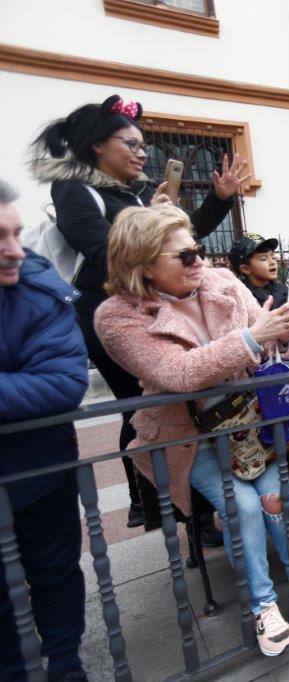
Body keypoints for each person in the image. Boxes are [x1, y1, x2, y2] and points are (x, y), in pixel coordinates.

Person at [94, 206, 289, 657]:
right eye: (185, 256)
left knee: (274, 499)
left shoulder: (222, 283)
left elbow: (267, 350)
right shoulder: (117, 316)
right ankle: (264, 604)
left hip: (250, 420)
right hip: (191, 435)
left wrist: (282, 333)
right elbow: (180, 373)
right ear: (143, 263)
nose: (199, 262)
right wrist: (253, 336)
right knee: (243, 506)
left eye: (200, 251)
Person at [29, 94, 249, 529]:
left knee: (189, 400)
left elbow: (182, 244)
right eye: (130, 143)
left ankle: (188, 500)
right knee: (151, 409)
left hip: (165, 308)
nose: (142, 152)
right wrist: (147, 222)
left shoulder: (143, 190)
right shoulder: (76, 191)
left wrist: (219, 199)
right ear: (97, 146)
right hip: (118, 317)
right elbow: (106, 256)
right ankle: (164, 504)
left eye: (143, 144)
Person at [0, 179, 89, 681]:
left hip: (41, 470)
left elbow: (60, 383)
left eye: (16, 234)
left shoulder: (39, 287)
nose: (15, 251)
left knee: (54, 573)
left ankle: (66, 662)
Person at [229, 233, 286, 308]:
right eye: (263, 259)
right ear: (245, 269)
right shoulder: (239, 298)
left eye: (273, 257)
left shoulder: (285, 291)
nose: (272, 262)